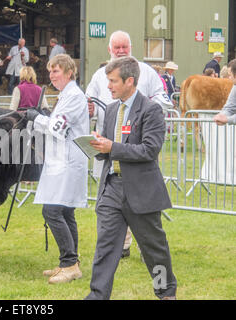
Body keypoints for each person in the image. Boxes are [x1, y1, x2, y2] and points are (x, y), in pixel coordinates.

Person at [86, 56, 177, 300]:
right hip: (111, 188)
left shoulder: (151, 109)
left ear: (129, 81)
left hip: (141, 192)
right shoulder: (113, 109)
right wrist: (95, 146)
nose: (109, 86)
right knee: (105, 248)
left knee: (154, 250)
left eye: (113, 81)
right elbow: (108, 148)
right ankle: (97, 295)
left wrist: (111, 147)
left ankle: (165, 292)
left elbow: (149, 150)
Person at [25, 54, 89, 284]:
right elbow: (57, 121)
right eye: (50, 71)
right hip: (61, 160)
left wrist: (36, 118)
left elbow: (57, 127)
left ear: (69, 72)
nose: (52, 75)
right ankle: (71, 261)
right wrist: (43, 116)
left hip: (68, 162)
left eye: (57, 71)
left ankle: (69, 264)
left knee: (52, 212)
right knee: (64, 212)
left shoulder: (73, 96)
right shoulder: (65, 95)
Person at [214, 59, 236, 125]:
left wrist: (227, 119)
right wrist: (222, 116)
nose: (229, 78)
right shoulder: (235, 86)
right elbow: (230, 107)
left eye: (230, 75)